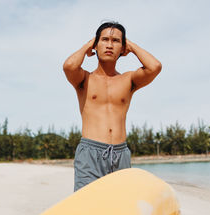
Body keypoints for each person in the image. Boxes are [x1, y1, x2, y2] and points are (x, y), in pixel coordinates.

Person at [63, 21, 162, 191]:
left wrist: (129, 44)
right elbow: (69, 66)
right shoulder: (84, 79)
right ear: (96, 44)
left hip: (120, 154)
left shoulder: (128, 80)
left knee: (119, 211)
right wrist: (88, 45)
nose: (109, 45)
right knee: (87, 208)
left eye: (115, 41)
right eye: (104, 40)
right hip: (90, 154)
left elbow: (155, 67)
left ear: (123, 49)